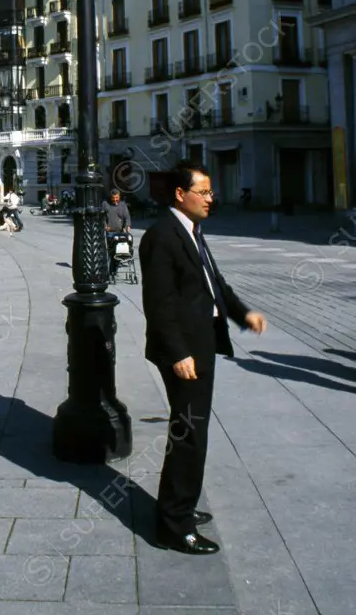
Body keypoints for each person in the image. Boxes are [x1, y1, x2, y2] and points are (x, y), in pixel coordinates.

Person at [138, 162, 267, 556]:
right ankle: (173, 525)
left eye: (211, 192)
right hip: (184, 351)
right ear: (181, 194)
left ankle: (181, 507)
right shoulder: (162, 237)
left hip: (201, 343)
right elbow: (157, 304)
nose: (212, 198)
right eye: (205, 192)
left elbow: (214, 284)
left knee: (193, 431)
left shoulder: (191, 231)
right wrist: (178, 353)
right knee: (189, 434)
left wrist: (242, 313)